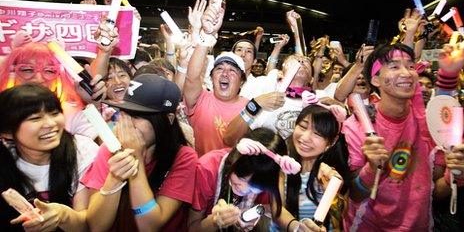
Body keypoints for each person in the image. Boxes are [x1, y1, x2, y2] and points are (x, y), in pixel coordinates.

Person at [342, 42, 464, 231]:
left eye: (410, 66)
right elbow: (356, 194)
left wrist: (456, 174)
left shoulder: (427, 123)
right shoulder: (357, 125)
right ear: (375, 79)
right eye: (394, 66)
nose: (406, 73)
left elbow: (435, 192)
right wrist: (372, 168)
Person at [83, 74, 198, 231]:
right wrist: (114, 178)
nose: (127, 125)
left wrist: (135, 161)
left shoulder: (184, 157)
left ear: (168, 119)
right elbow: (96, 226)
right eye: (124, 114)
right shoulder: (109, 150)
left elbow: (149, 226)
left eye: (136, 116)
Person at [0, 84, 99, 231]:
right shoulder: (5, 160)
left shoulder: (81, 150)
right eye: (35, 118)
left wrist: (62, 215)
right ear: (7, 132)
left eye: (54, 113)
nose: (51, 124)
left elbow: (88, 224)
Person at [184, 0, 250, 156]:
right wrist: (206, 35)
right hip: (201, 175)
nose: (225, 73)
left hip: (233, 176)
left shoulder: (251, 108)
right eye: (219, 68)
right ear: (211, 77)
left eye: (232, 71)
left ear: (242, 80)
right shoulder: (200, 99)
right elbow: (192, 77)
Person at [188, 128, 286, 231]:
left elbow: (272, 210)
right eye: (241, 178)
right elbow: (192, 228)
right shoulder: (207, 170)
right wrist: (214, 220)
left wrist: (255, 214)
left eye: (254, 187)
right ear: (234, 158)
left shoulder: (265, 177)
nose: (243, 189)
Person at [272, 102, 350, 232]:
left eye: (318, 134)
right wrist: (298, 228)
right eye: (302, 127)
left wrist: (332, 191)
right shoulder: (282, 165)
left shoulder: (333, 173)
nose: (305, 137)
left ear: (331, 142)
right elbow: (277, 210)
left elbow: (340, 217)